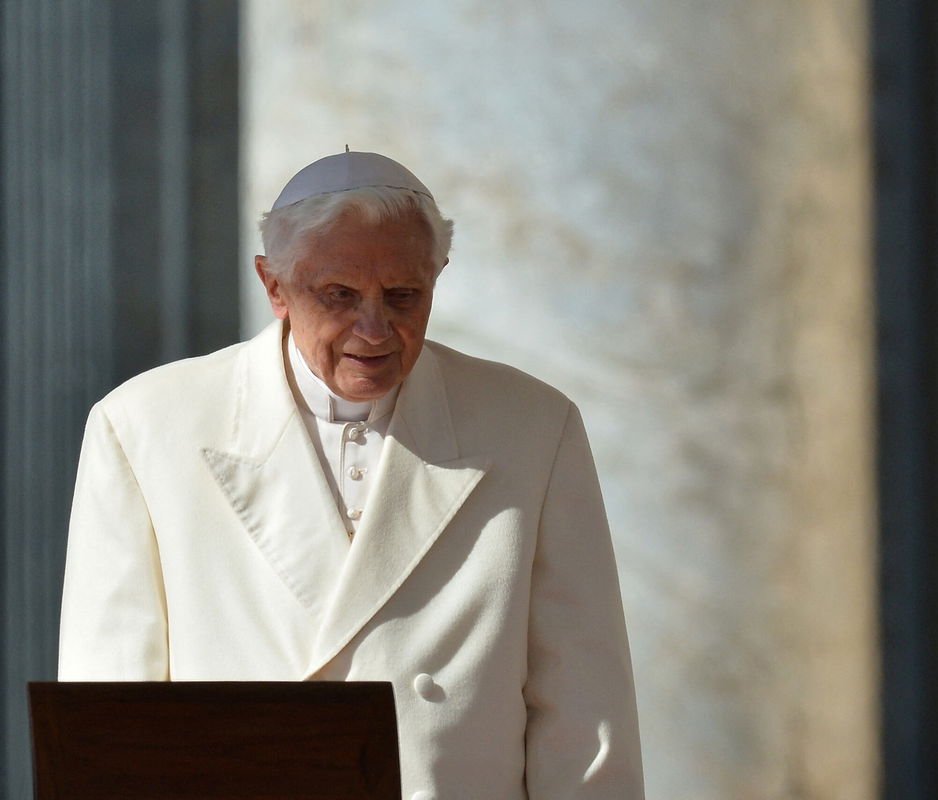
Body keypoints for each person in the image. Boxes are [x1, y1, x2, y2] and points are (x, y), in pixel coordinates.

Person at [59, 151, 644, 799]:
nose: (374, 330)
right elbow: (109, 705)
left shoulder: (533, 427)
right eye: (338, 295)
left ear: (437, 278)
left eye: (403, 296)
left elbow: (584, 705)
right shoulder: (145, 426)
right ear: (274, 286)